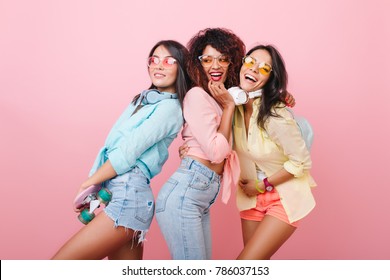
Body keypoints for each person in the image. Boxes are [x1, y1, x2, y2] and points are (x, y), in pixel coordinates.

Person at [51, 40, 191, 260]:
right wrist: (98, 185)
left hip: (129, 197)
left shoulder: (171, 108)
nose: (158, 65)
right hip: (120, 193)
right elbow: (113, 147)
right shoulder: (145, 100)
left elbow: (127, 152)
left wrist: (89, 183)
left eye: (168, 60)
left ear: (181, 67)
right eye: (153, 59)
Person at [155, 28, 245, 260]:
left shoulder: (221, 98)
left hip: (198, 198)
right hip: (184, 195)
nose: (215, 65)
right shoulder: (197, 95)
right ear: (198, 64)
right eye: (207, 59)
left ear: (232, 63)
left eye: (222, 59)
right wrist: (228, 108)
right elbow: (216, 152)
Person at [234, 44, 316, 259]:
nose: (253, 68)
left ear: (271, 79)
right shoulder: (233, 108)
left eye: (264, 68)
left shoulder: (275, 115)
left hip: (283, 197)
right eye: (250, 61)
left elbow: (301, 162)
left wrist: (261, 186)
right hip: (250, 198)